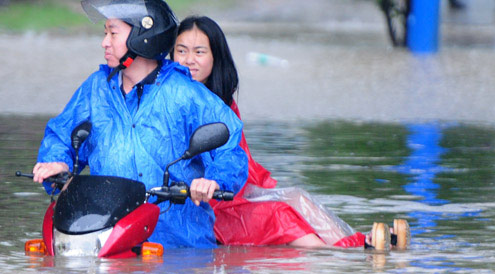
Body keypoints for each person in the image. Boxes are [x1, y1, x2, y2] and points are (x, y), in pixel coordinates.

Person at [32, 0, 247, 249]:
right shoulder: (95, 88)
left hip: (177, 245)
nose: (105, 42)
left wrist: (213, 180)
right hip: (105, 236)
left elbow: (230, 148)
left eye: (113, 33)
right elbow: (61, 135)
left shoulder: (186, 93)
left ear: (143, 36)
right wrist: (57, 163)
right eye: (105, 33)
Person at [173, 15, 406, 250]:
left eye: (199, 52)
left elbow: (234, 157)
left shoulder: (222, 103)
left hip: (225, 188)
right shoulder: (170, 99)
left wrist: (224, 181)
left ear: (216, 57)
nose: (189, 60)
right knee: (278, 213)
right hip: (198, 200)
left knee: (296, 197)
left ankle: (355, 242)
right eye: (181, 51)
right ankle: (339, 253)